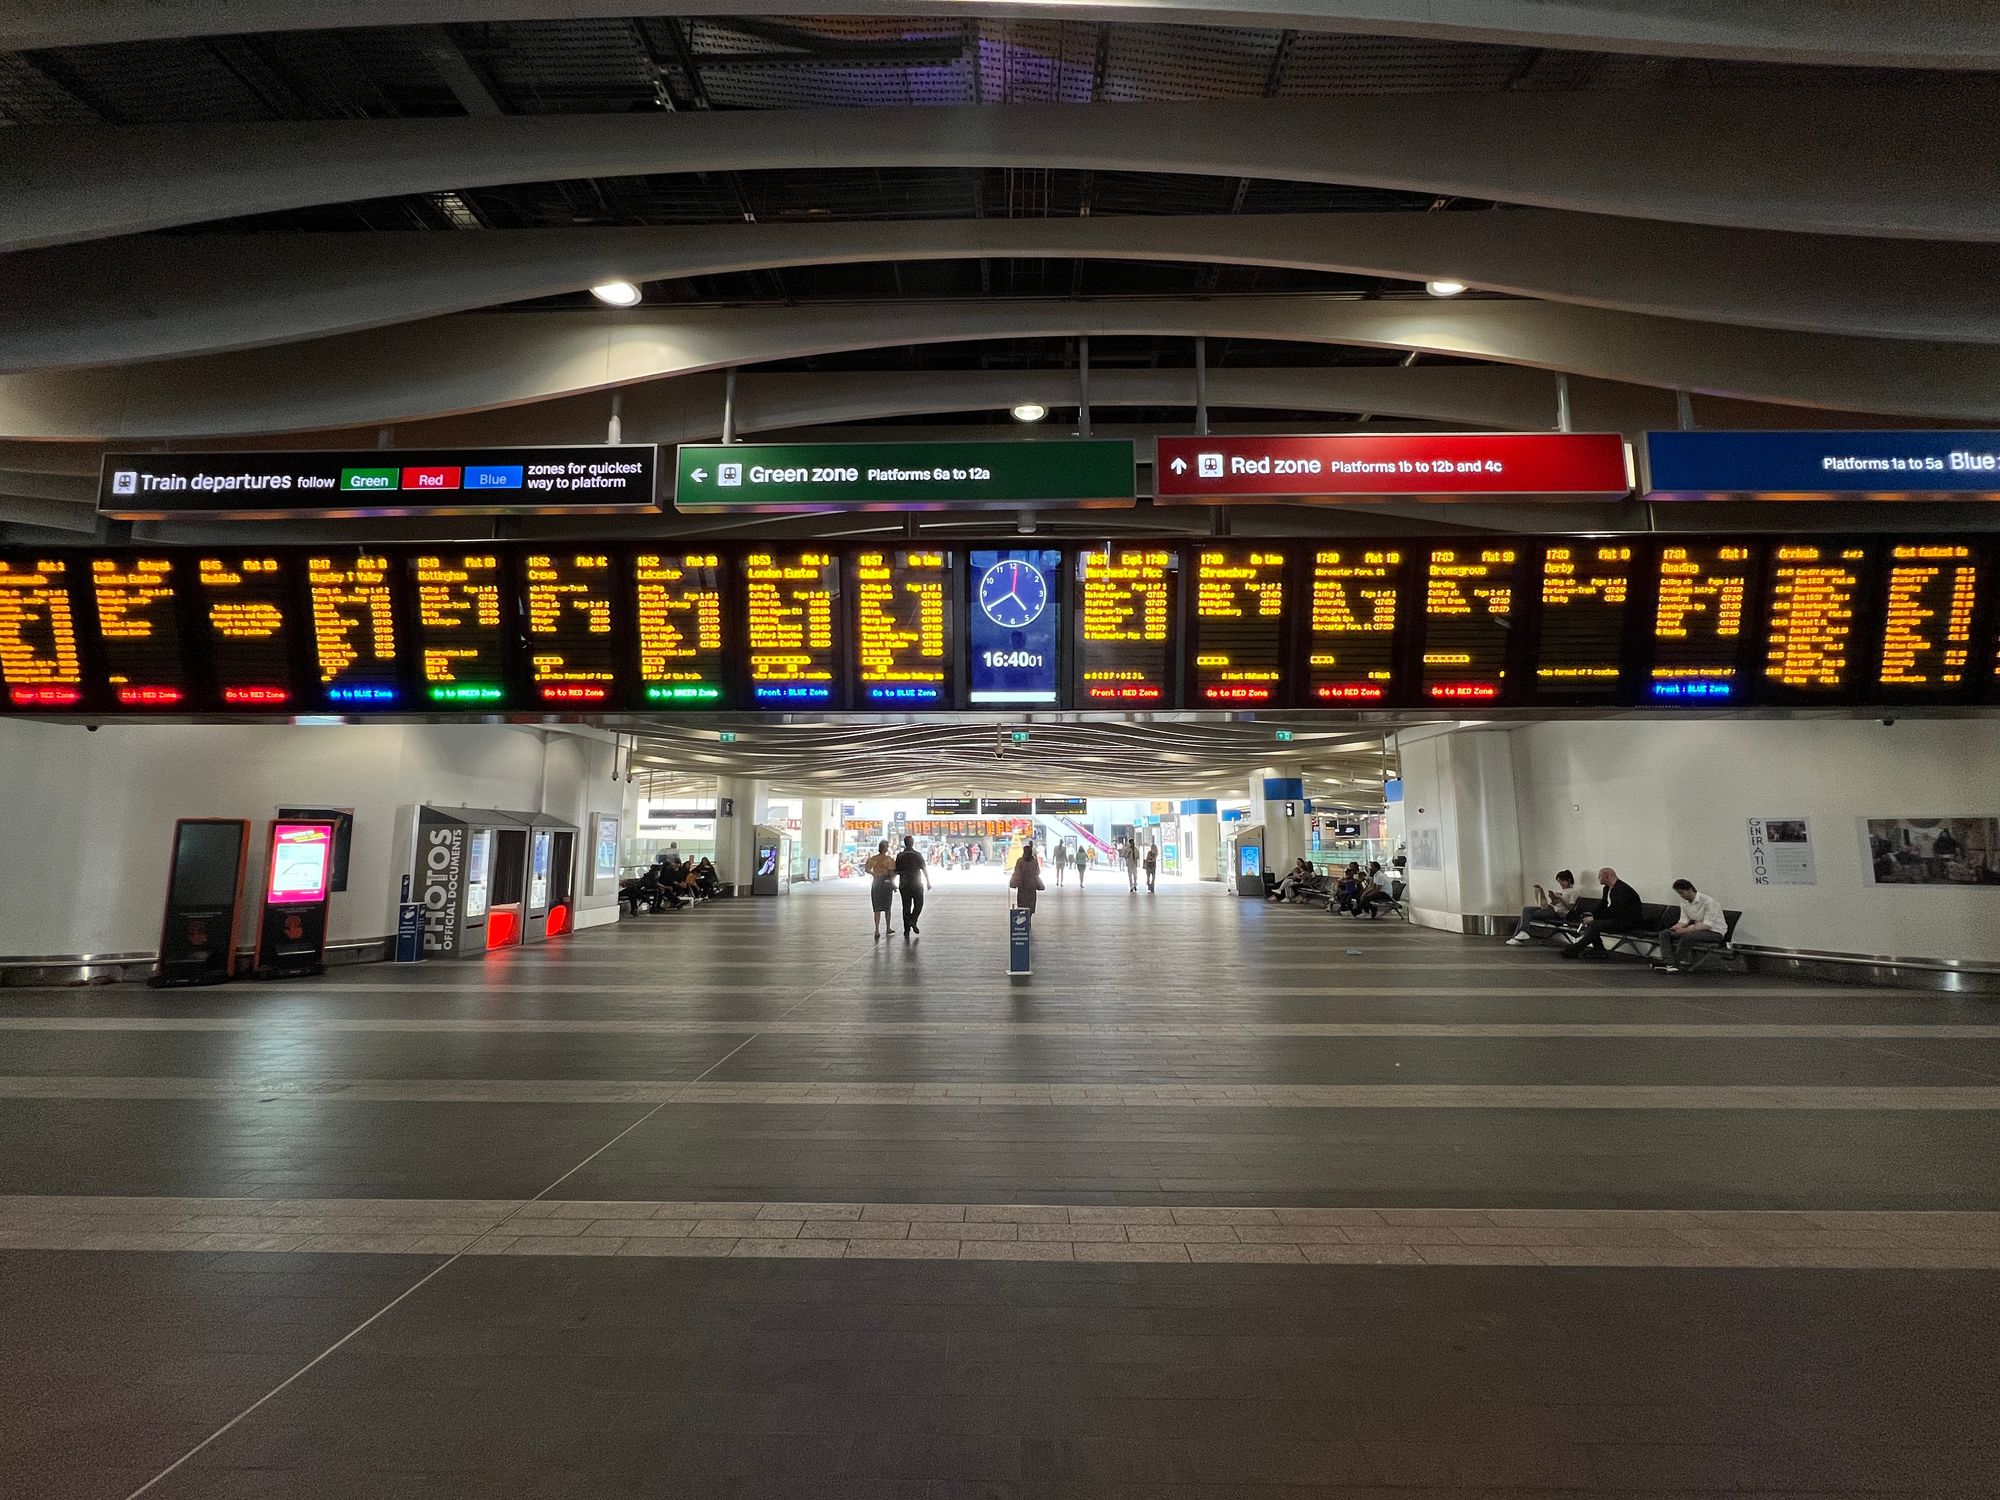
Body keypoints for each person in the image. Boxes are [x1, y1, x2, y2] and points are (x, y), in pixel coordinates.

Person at [1560, 867, 1645, 960]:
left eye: (1599, 876)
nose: (1598, 878)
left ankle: (1578, 949)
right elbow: (1603, 905)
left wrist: (1594, 917)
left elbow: (1615, 909)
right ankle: (1597, 950)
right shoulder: (1607, 888)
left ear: (1607, 876)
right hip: (1617, 919)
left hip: (1628, 921)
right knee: (1593, 924)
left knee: (1594, 924)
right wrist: (1592, 914)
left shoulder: (1622, 889)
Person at [1653, 878, 1728, 972]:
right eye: (1679, 893)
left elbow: (1707, 925)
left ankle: (1674, 964)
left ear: (1690, 890)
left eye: (1682, 893)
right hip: (1698, 929)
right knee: (1664, 933)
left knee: (1688, 937)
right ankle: (1668, 960)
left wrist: (1684, 930)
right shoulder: (1684, 902)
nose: (1681, 896)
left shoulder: (1709, 902)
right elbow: (1684, 920)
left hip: (1714, 932)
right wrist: (1676, 927)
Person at [1506, 869, 1579, 945]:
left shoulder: (1573, 892)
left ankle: (1520, 936)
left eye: (1562, 881)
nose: (1560, 884)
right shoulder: (1560, 890)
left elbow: (1571, 908)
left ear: (1569, 880)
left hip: (1558, 913)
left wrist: (1561, 898)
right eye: (1559, 882)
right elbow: (1555, 904)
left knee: (1527, 915)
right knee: (1526, 909)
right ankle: (1520, 935)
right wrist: (1553, 899)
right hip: (1551, 908)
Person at [894, 833, 931, 936]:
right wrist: (928, 882)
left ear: (905, 844)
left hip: (904, 883)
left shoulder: (900, 856)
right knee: (919, 903)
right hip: (916, 882)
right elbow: (924, 868)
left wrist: (893, 882)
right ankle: (913, 920)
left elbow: (896, 870)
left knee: (906, 906)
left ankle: (907, 930)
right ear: (913, 843)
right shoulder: (918, 855)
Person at [863, 839, 897, 939]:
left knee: (876, 908)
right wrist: (893, 884)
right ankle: (887, 928)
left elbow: (866, 869)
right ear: (885, 848)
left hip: (876, 883)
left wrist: (873, 874)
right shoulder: (889, 860)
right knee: (887, 907)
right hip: (886, 884)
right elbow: (892, 874)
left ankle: (877, 929)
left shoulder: (873, 859)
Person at [1009, 840, 1045, 913]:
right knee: (1030, 907)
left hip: (1022, 887)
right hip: (1032, 888)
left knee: (1022, 907)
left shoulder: (1020, 861)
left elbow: (1017, 873)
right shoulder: (1034, 862)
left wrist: (1014, 882)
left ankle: (1023, 922)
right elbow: (1038, 872)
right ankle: (1029, 921)